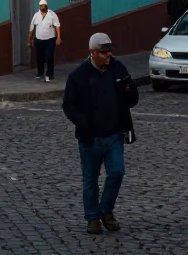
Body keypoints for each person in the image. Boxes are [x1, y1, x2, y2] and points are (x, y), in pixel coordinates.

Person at [62, 32, 139, 235]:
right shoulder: (78, 76)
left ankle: (105, 210)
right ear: (92, 52)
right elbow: (68, 106)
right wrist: (83, 123)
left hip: (114, 134)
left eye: (110, 52)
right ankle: (92, 218)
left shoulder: (118, 68)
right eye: (104, 52)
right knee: (90, 180)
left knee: (117, 172)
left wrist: (130, 90)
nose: (108, 56)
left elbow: (132, 99)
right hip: (90, 137)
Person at [28, 0, 62, 81]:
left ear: (46, 6)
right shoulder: (36, 15)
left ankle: (50, 74)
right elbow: (31, 29)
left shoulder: (52, 15)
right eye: (41, 5)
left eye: (44, 5)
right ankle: (40, 73)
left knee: (49, 56)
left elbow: (57, 27)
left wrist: (58, 37)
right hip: (39, 39)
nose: (42, 7)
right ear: (39, 7)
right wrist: (29, 40)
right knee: (40, 57)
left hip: (50, 39)